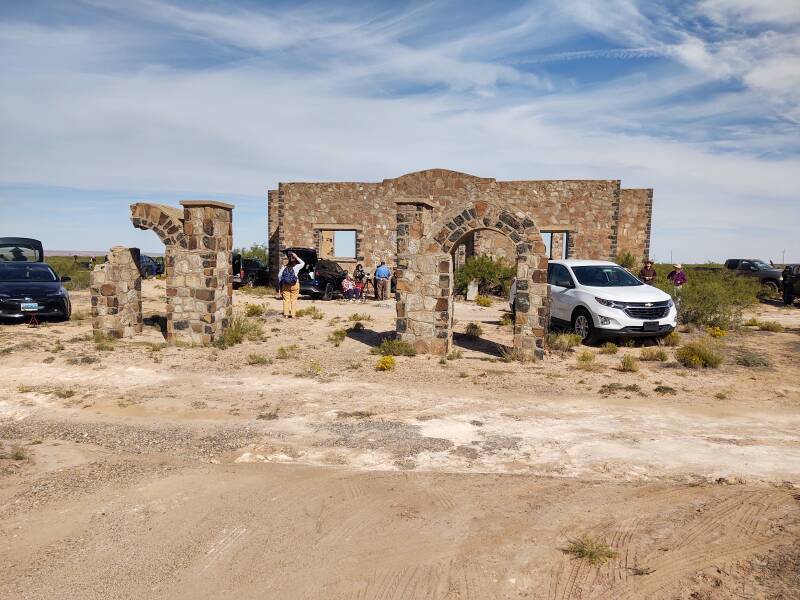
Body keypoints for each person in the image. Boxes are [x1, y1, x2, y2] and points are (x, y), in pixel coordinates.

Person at [277, 251, 305, 318]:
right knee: (294, 300)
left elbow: (279, 276)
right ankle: (293, 315)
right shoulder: (297, 267)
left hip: (286, 285)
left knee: (286, 300)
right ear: (295, 260)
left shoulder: (284, 267)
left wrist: (281, 285)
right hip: (295, 284)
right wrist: (296, 257)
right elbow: (303, 263)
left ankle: (286, 314)